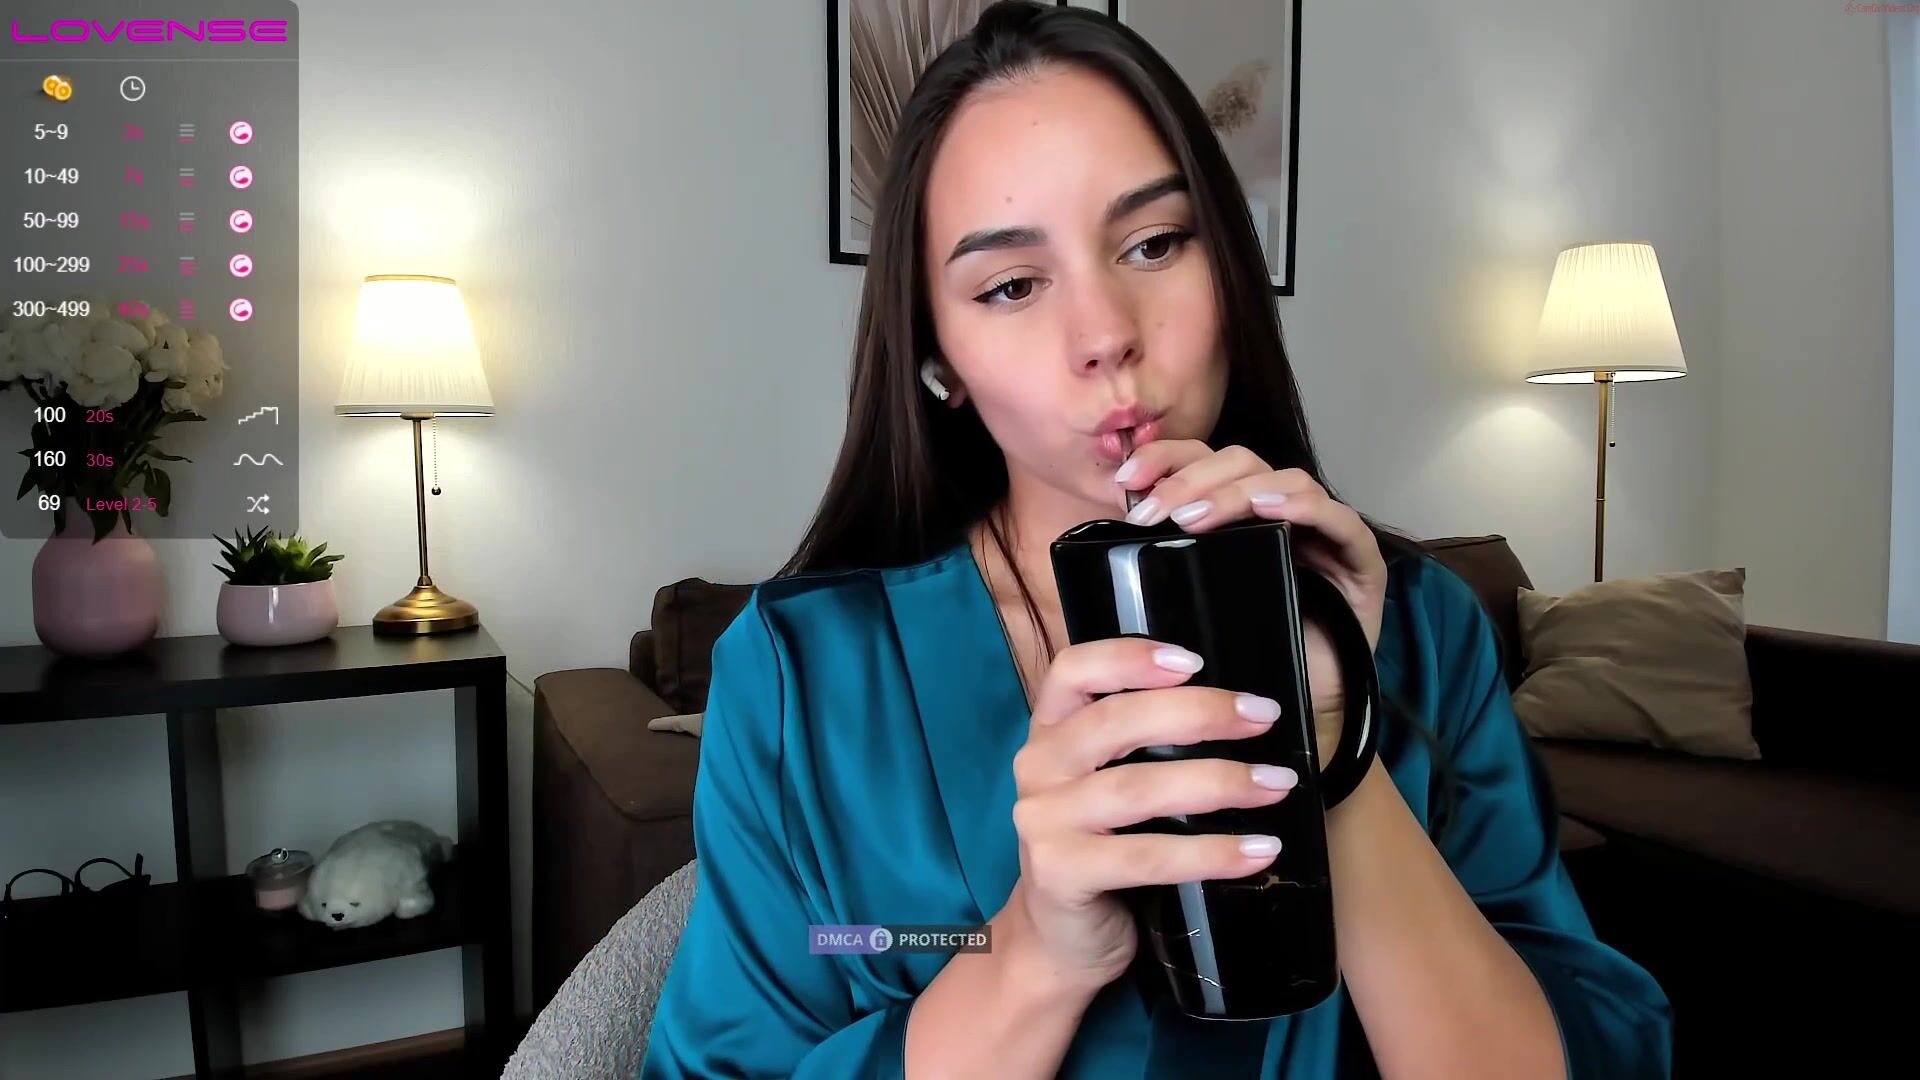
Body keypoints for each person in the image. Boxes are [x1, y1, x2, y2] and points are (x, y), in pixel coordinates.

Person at [639, 3, 1671, 1077]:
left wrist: (1330, 748)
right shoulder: (803, 677)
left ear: (1229, 267)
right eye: (1011, 286)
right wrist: (1028, 954)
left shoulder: (1421, 625)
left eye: (1155, 243)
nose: (1105, 337)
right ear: (939, 360)